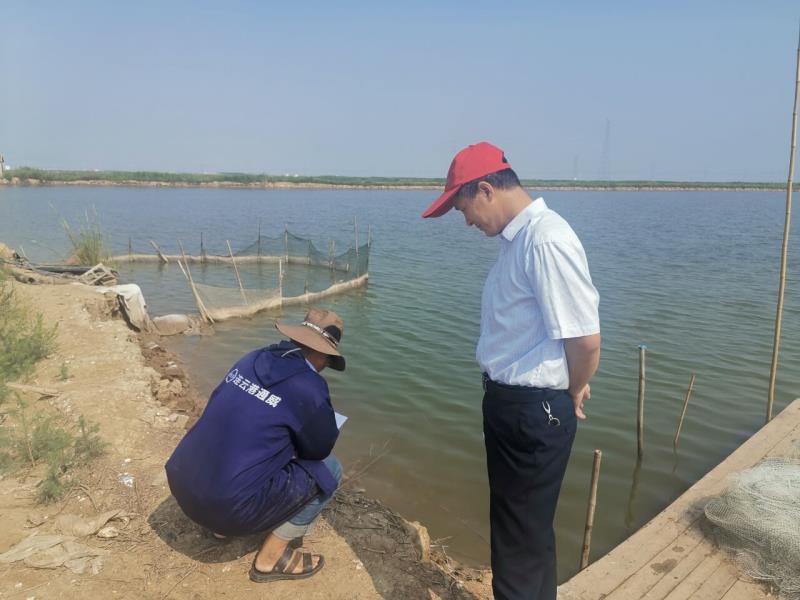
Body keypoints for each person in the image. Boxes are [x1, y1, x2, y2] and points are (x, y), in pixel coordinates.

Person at [422, 142, 601, 600]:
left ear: (486, 189)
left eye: (463, 208)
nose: (466, 221)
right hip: (517, 406)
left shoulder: (545, 240)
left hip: (532, 411)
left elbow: (584, 339)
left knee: (516, 546)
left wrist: (574, 388)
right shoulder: (520, 241)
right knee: (526, 533)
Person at [165, 308, 346, 583]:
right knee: (330, 469)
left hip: (182, 483)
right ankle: (270, 560)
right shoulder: (310, 386)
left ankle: (219, 531)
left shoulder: (253, 357)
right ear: (321, 354)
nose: (325, 366)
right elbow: (319, 450)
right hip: (227, 509)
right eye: (328, 360)